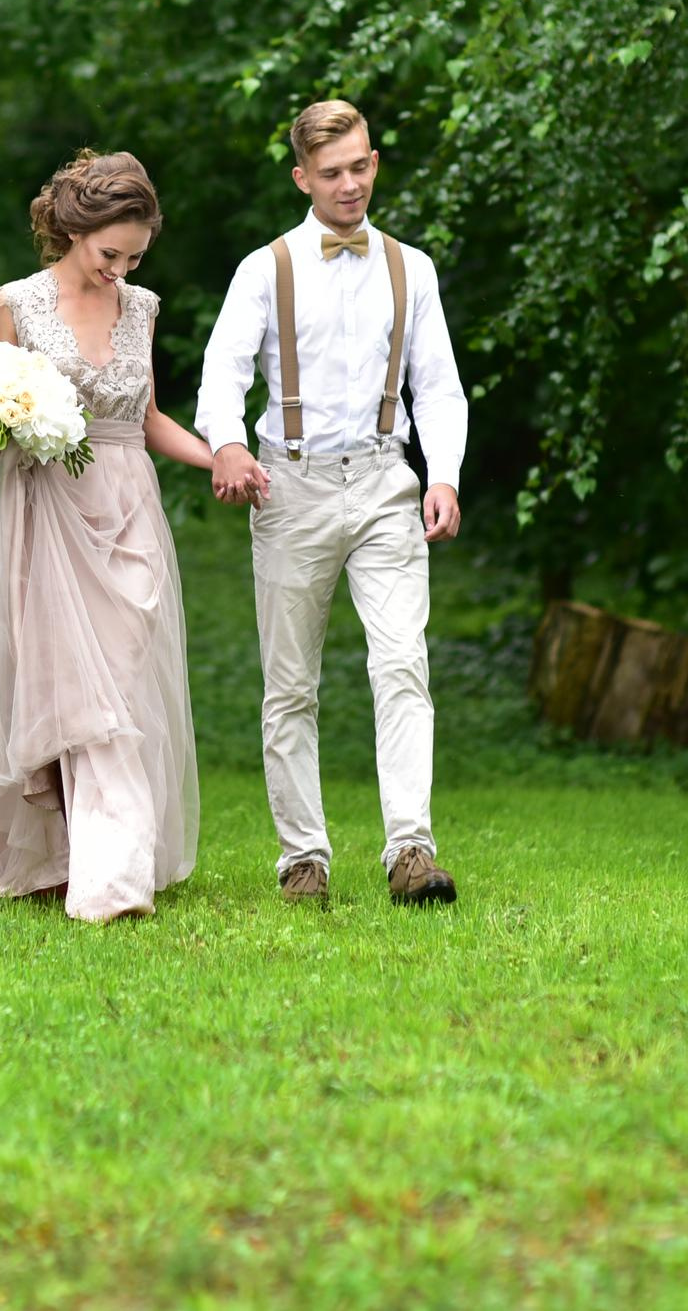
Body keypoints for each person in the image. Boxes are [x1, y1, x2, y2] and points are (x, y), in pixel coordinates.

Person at [0, 150, 214, 922]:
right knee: (68, 692)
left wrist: (222, 455)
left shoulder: (144, 306)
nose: (120, 270)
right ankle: (101, 876)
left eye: (134, 256)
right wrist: (1, 413)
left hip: (127, 507)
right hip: (46, 508)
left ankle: (106, 858)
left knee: (122, 683)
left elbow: (148, 417)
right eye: (109, 254)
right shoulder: (15, 304)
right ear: (72, 230)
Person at [197, 99, 468, 907]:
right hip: (291, 484)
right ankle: (302, 859)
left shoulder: (409, 267)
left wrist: (444, 472)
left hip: (387, 480)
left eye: (359, 167)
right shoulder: (264, 268)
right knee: (291, 683)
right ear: (301, 177)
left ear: (374, 162)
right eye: (331, 173)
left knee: (402, 663)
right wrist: (229, 445)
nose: (349, 185)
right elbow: (221, 373)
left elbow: (440, 384)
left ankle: (411, 851)